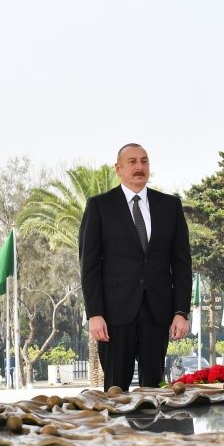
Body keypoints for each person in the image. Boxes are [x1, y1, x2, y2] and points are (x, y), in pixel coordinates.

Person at [79, 143, 193, 390]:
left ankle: (154, 429)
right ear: (118, 168)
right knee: (116, 391)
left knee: (154, 390)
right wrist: (94, 313)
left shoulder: (170, 206)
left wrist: (181, 311)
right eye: (132, 162)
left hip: (157, 314)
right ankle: (117, 431)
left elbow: (182, 263)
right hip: (113, 317)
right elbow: (89, 265)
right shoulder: (99, 206)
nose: (139, 167)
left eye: (144, 161)